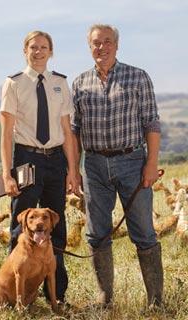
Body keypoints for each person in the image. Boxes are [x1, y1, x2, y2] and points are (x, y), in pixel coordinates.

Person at [72, 24, 163, 308]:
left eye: (107, 42)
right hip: (95, 165)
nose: (102, 47)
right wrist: (73, 170)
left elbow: (151, 123)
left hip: (132, 163)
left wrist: (151, 163)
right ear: (90, 47)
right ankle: (105, 298)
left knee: (144, 233)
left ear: (117, 45)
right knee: (96, 233)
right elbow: (74, 131)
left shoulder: (138, 77)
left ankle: (156, 302)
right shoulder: (80, 83)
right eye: (96, 43)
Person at [0, 30, 80, 306]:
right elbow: (6, 134)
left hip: (56, 160)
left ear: (51, 51)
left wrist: (72, 170)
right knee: (19, 227)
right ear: (25, 50)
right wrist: (6, 174)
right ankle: (15, 295)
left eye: (44, 47)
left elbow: (67, 132)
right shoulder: (14, 83)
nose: (38, 51)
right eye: (33, 47)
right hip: (26, 159)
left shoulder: (60, 83)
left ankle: (56, 296)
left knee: (55, 227)